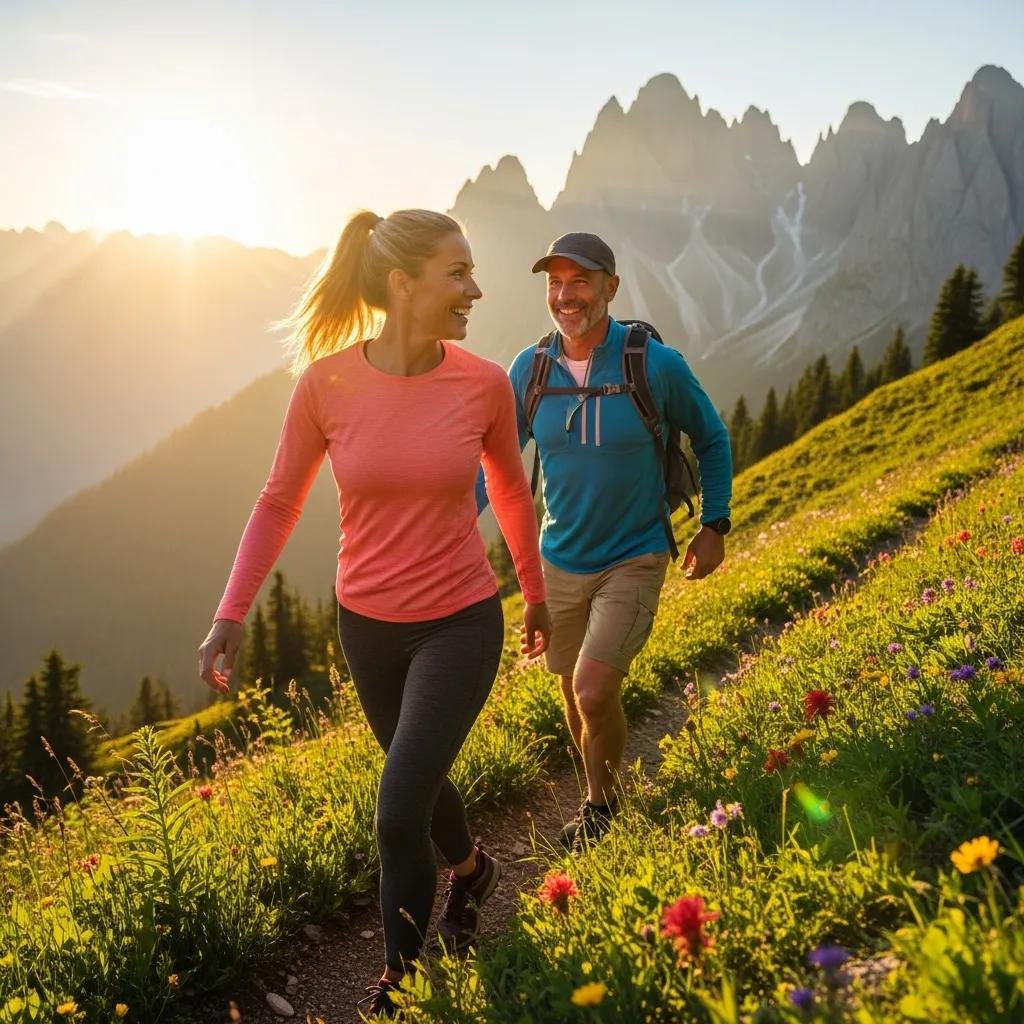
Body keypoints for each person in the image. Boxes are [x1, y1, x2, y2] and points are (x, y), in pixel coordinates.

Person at [197, 209, 551, 1019]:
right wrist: (232, 612)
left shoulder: (483, 383)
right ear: (402, 283)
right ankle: (473, 872)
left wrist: (533, 592)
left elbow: (508, 490)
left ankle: (401, 983)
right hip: (367, 627)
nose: (475, 289)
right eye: (457, 273)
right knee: (415, 776)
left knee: (397, 811)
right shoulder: (325, 385)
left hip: (461, 621)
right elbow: (278, 500)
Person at [483, 231, 732, 851]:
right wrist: (451, 525)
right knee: (573, 690)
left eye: (581, 282)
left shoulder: (655, 364)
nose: (565, 296)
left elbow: (711, 438)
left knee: (593, 688)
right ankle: (604, 793)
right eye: (555, 283)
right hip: (558, 559)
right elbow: (499, 463)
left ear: (611, 288)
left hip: (634, 555)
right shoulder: (530, 369)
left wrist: (715, 524)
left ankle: (600, 810)